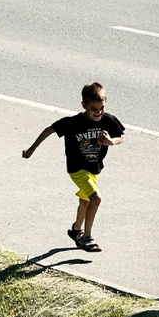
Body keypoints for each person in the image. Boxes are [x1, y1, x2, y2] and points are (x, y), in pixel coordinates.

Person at [22, 82, 125, 253]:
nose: (99, 112)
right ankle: (87, 237)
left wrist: (111, 142)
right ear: (84, 105)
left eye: (102, 108)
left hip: (94, 168)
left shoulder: (108, 120)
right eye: (94, 109)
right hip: (77, 169)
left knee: (85, 201)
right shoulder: (73, 123)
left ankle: (76, 230)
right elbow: (49, 130)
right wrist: (32, 149)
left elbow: (121, 136)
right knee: (96, 199)